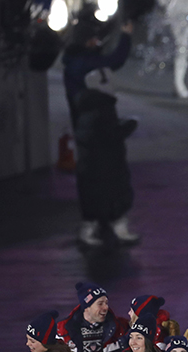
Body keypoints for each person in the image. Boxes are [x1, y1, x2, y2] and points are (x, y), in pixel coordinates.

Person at [63, 12, 138, 247]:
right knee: (106, 177)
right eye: (93, 39)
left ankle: (97, 223)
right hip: (98, 131)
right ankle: (107, 222)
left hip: (92, 132)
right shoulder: (86, 65)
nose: (97, 43)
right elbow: (114, 60)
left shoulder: (76, 65)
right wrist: (125, 37)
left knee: (94, 178)